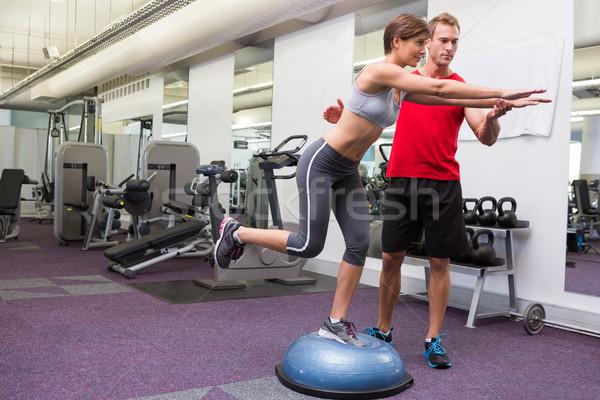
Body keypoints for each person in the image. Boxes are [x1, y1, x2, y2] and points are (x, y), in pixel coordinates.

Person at [215, 13, 550, 348]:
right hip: (322, 162)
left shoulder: (398, 90)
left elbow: (447, 96)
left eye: (426, 43)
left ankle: (334, 322)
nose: (424, 49)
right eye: (420, 43)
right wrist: (505, 90)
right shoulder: (379, 70)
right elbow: (439, 86)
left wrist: (501, 104)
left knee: (359, 243)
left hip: (349, 170)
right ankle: (237, 231)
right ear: (397, 42)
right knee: (309, 245)